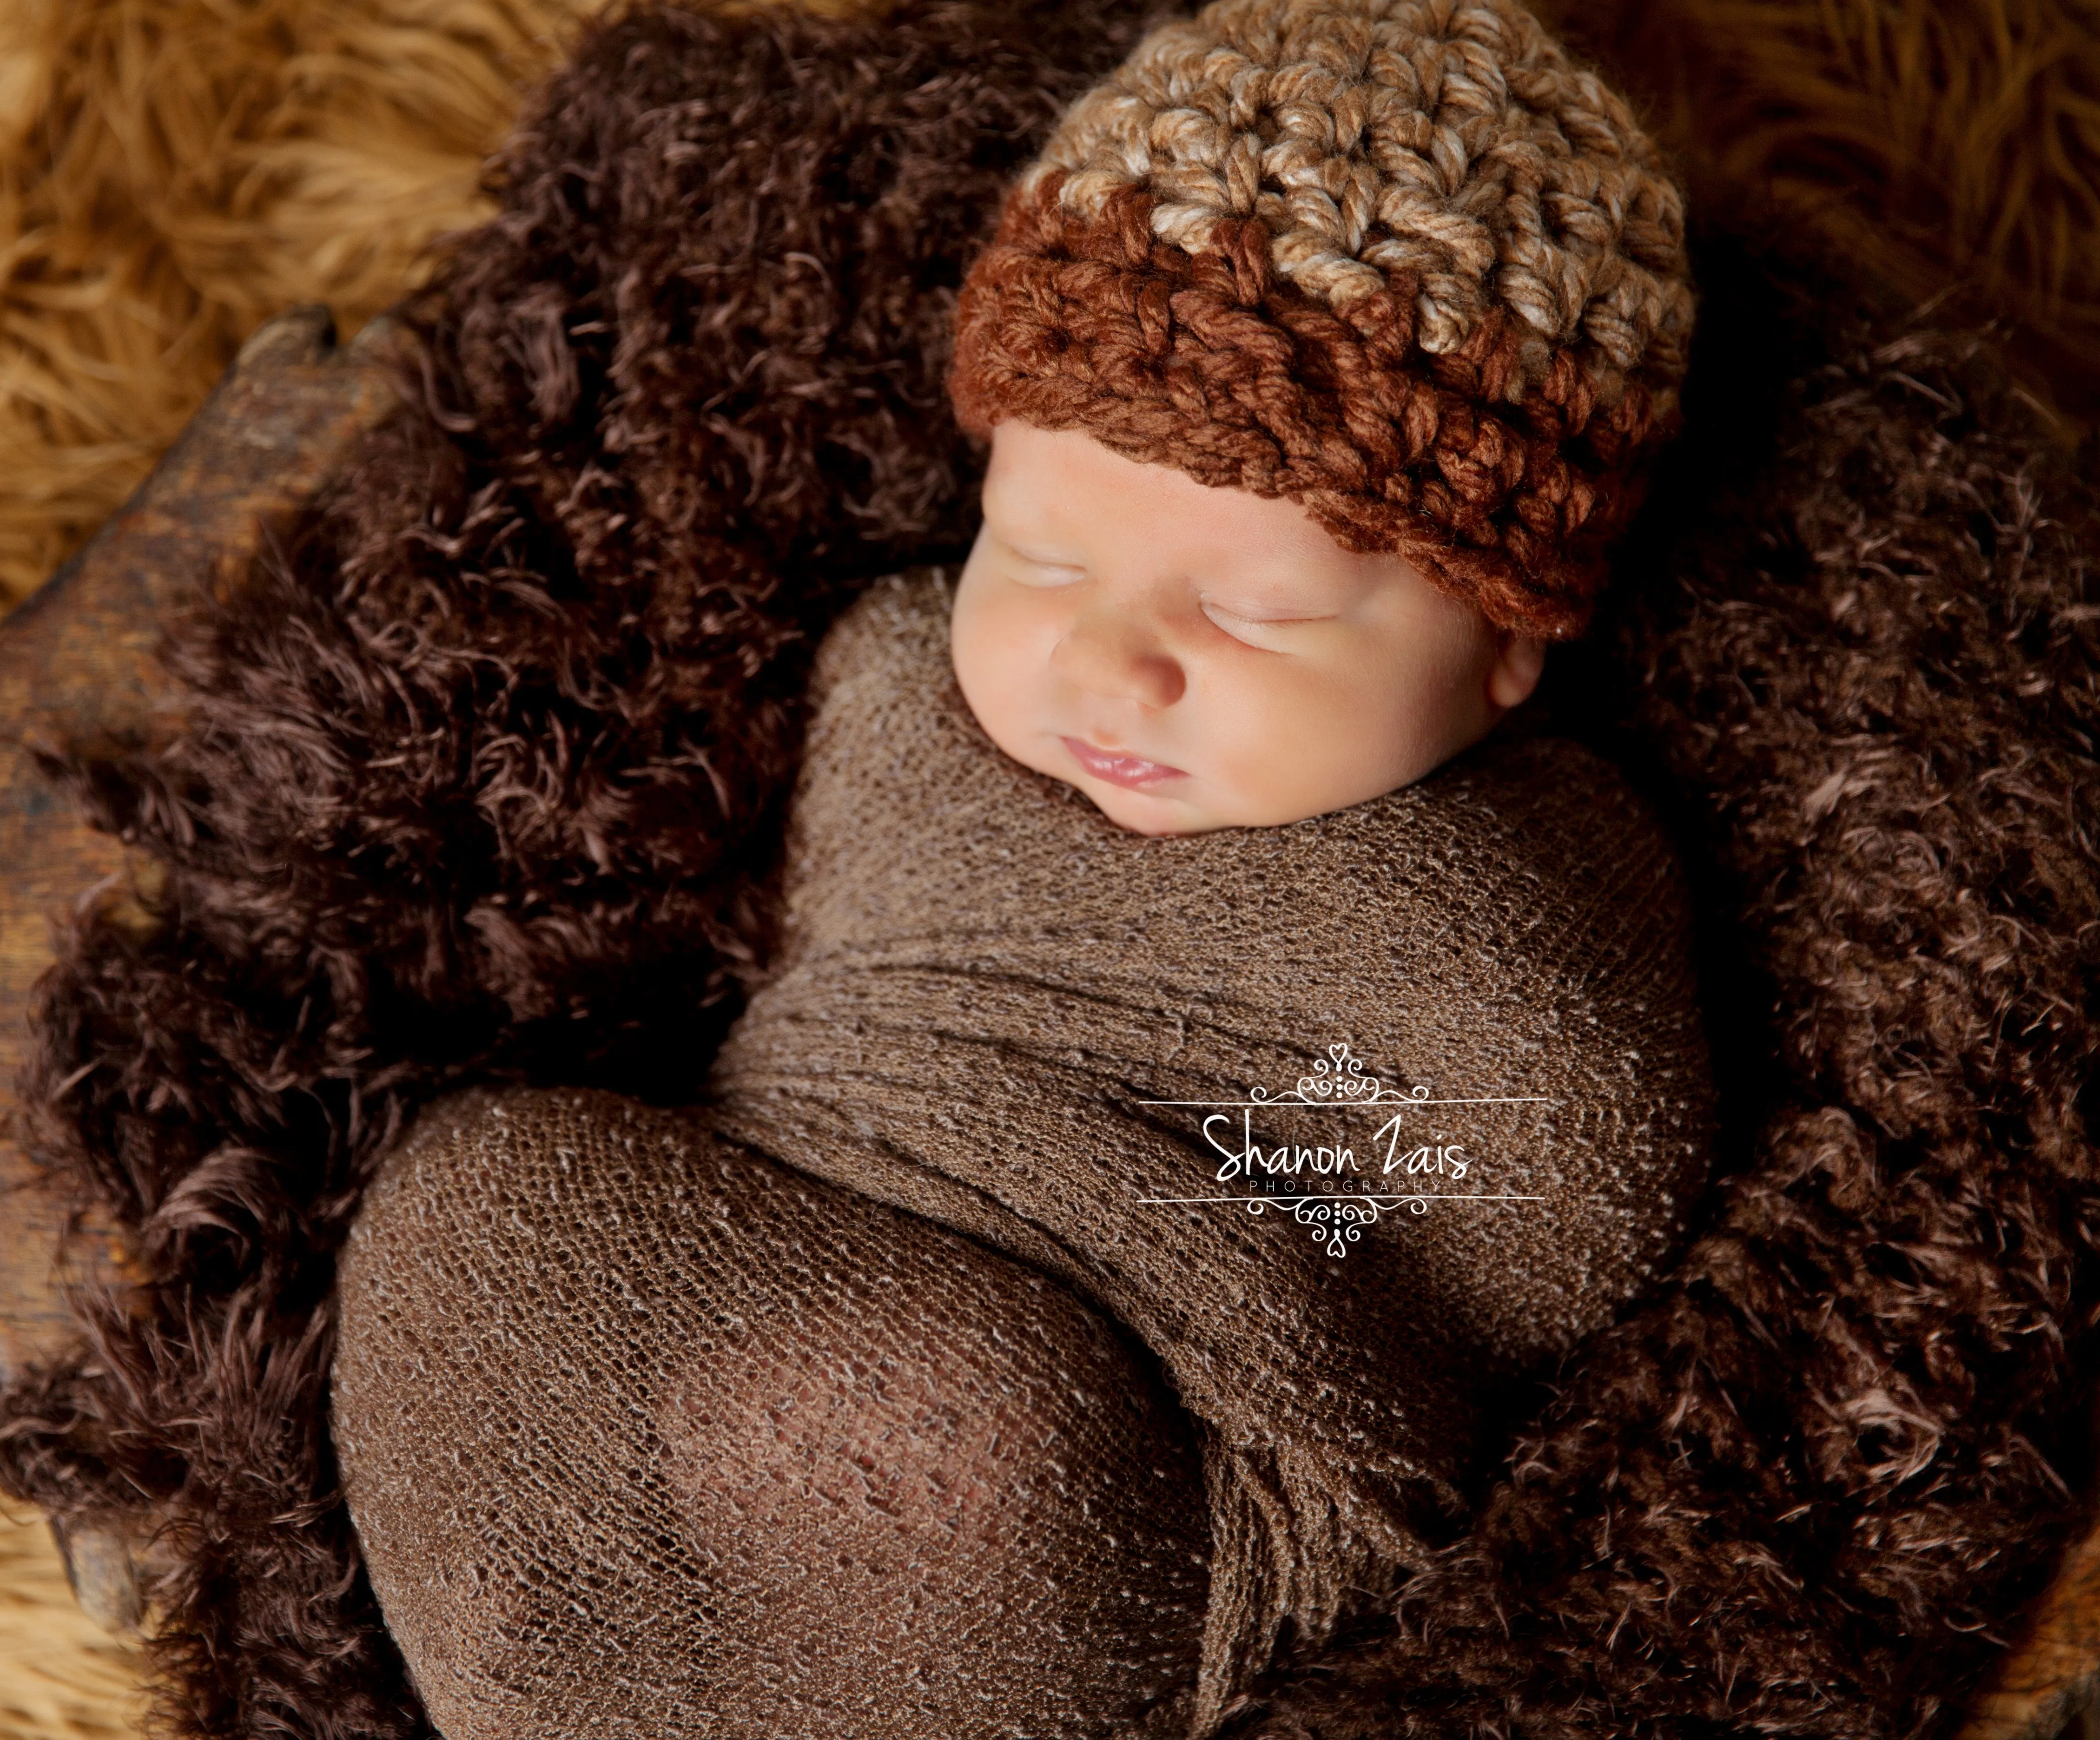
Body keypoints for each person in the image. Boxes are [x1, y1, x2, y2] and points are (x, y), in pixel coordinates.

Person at [329, 3, 1717, 1736]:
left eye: (1254, 612)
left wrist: (1281, 1182)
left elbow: (1561, 1184)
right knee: (488, 1195)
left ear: (1509, 643)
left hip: (1155, 1455)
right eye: (1044, 554)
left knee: (957, 1431)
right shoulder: (895, 687)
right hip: (763, 1253)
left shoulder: (1531, 885)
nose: (1106, 668)